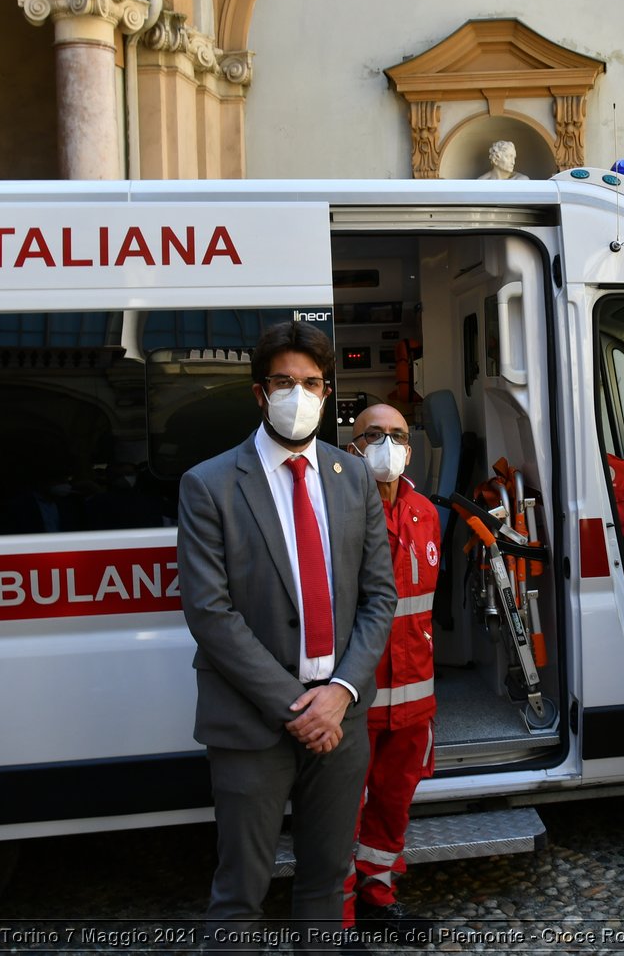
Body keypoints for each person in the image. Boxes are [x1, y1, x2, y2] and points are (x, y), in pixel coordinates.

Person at [177, 320, 397, 946]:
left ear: (326, 394)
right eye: (283, 382)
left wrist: (342, 692)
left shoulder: (352, 477)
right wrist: (296, 707)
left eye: (310, 383)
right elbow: (210, 613)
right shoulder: (209, 484)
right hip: (253, 722)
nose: (297, 394)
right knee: (239, 892)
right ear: (259, 392)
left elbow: (379, 596)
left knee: (328, 881)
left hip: (342, 716)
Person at [342, 404, 441, 942]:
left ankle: (378, 899)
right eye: (373, 434)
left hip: (413, 697)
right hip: (356, 695)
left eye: (397, 435)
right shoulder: (337, 511)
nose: (387, 444)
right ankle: (340, 920)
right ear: (351, 445)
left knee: (392, 802)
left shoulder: (425, 512)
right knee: (341, 810)